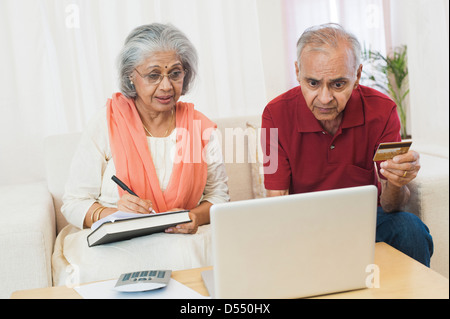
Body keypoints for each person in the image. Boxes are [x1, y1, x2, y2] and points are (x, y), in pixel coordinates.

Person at [261, 23, 433, 266]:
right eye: (312, 83)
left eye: (338, 84)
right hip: (304, 227)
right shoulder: (274, 115)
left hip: (366, 222)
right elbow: (276, 204)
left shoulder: (382, 111)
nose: (324, 98)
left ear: (358, 75)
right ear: (297, 72)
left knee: (409, 228)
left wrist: (397, 181)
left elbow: (391, 205)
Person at [62, 23, 229, 234]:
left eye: (175, 74)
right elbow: (73, 203)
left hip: (182, 241)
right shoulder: (106, 123)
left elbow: (219, 197)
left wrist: (193, 216)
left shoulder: (200, 128)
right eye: (153, 75)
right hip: (120, 243)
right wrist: (114, 213)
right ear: (131, 76)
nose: (167, 86)